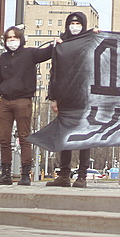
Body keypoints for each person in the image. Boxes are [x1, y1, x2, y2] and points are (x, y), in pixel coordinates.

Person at [0, 26, 55, 185]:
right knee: (4, 139)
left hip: (23, 100)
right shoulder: (3, 58)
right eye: (9, 38)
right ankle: (6, 174)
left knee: (24, 137)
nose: (12, 41)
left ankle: (25, 175)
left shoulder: (29, 54)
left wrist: (57, 43)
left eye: (15, 38)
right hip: (5, 101)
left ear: (21, 39)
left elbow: (47, 53)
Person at [46, 12, 95, 188]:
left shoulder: (90, 41)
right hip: (65, 97)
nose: (74, 26)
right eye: (72, 23)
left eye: (78, 23)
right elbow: (54, 72)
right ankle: (64, 175)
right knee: (65, 136)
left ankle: (82, 176)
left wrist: (98, 35)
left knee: (84, 137)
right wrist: (53, 98)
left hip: (84, 97)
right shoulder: (61, 44)